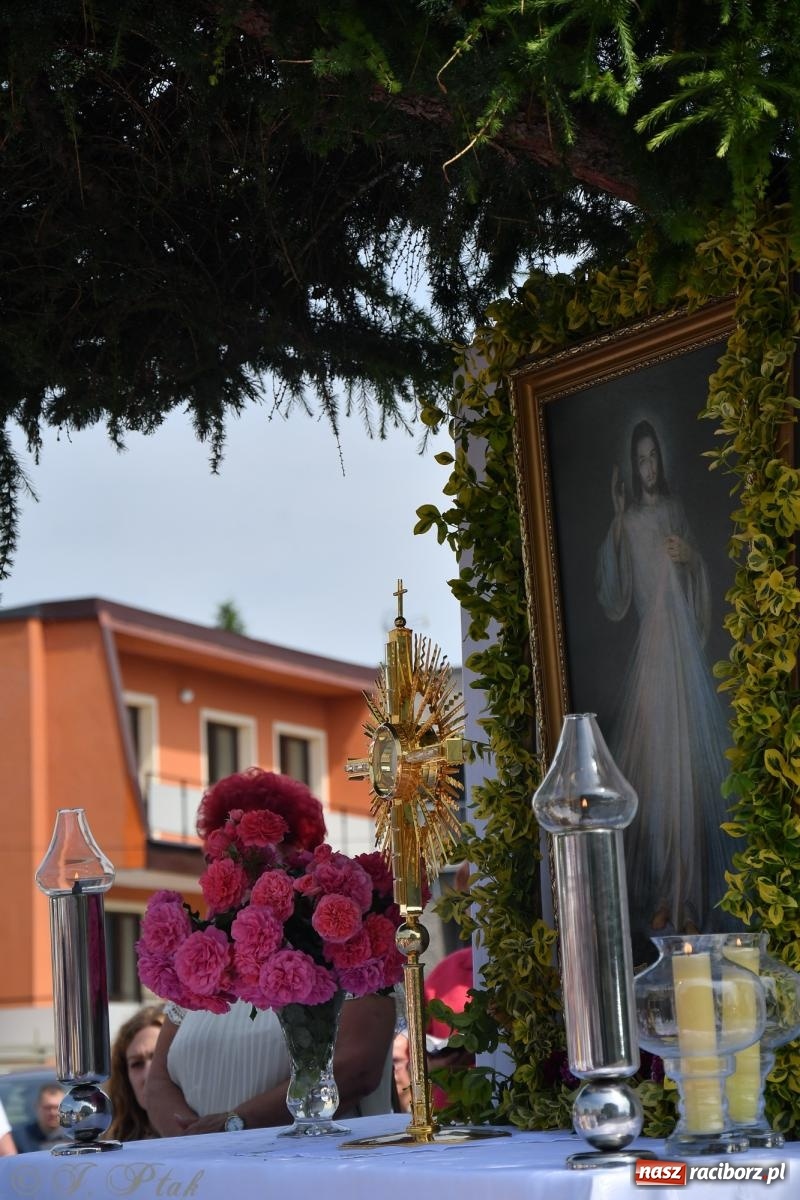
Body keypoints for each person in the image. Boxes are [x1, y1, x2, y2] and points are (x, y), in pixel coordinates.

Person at [144, 769, 395, 1136]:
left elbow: (357, 1067)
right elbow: (158, 1081)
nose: (238, 858)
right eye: (225, 847)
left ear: (295, 849)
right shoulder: (205, 955)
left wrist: (238, 1123)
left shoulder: (347, 944)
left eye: (252, 844)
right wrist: (193, 1138)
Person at [596, 419, 735, 948]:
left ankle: (690, 903)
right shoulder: (629, 519)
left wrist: (692, 559)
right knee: (655, 776)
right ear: (633, 468)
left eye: (653, 458)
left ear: (661, 462)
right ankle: (660, 898)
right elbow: (616, 598)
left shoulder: (675, 511)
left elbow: (698, 573)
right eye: (641, 460)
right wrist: (613, 523)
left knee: (686, 778)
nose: (647, 468)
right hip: (651, 657)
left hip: (681, 654)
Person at [105, 1003, 165, 1142]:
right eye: (137, 1064)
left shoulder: (214, 1134)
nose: (148, 1075)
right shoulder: (116, 1153)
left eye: (160, 1057)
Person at [10, 1084, 66, 1153]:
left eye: (57, 1107)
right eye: (47, 1108)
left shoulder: (76, 1136)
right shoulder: (18, 1138)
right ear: (36, 1107)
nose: (53, 1113)